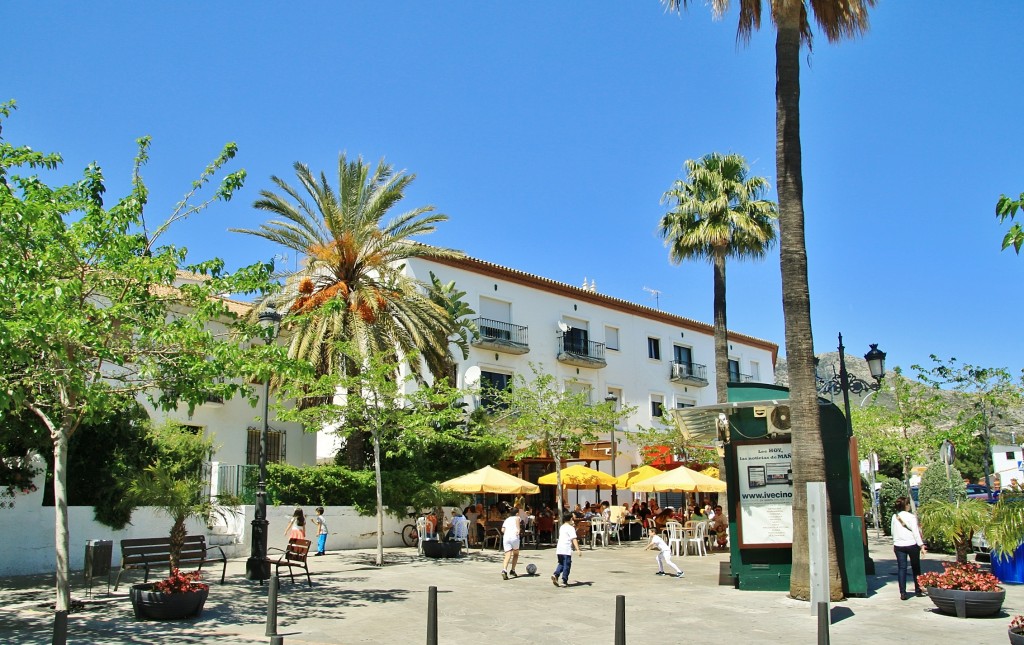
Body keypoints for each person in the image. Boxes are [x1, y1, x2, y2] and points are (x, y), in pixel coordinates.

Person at [891, 496, 927, 600]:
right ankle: (918, 589)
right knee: (916, 567)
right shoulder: (911, 517)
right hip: (912, 544)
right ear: (906, 506)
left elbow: (893, 532)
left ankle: (903, 593)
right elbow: (916, 533)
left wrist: (896, 540)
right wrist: (921, 545)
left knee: (902, 568)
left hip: (899, 545)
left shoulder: (895, 516)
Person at [552, 511, 582, 588]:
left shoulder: (562, 527)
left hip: (559, 549)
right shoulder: (571, 528)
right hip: (566, 549)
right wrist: (578, 549)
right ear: (571, 518)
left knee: (561, 563)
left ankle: (556, 574)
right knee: (567, 565)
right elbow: (574, 539)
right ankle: (564, 580)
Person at [500, 506, 522, 580]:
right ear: (517, 513)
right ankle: (513, 570)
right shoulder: (517, 518)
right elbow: (518, 523)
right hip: (514, 537)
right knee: (516, 553)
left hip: (506, 537)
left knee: (507, 554)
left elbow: (502, 530)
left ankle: (504, 570)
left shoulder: (507, 519)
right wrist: (518, 530)